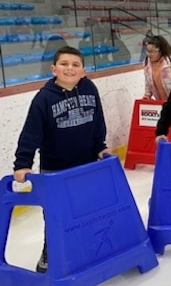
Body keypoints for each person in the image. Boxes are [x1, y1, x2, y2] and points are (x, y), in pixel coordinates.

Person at [13, 46, 109, 273]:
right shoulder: (43, 98)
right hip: (55, 170)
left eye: (75, 65)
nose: (70, 68)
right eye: (64, 64)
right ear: (53, 68)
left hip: (86, 165)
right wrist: (23, 163)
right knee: (55, 215)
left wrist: (100, 147)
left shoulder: (89, 88)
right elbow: (30, 133)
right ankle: (51, 250)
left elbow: (98, 121)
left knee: (86, 209)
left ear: (83, 71)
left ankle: (86, 245)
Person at [142, 35, 171, 101]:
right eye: (147, 51)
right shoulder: (147, 64)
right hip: (160, 104)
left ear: (160, 51)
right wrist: (146, 97)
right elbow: (148, 85)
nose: (149, 54)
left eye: (152, 52)